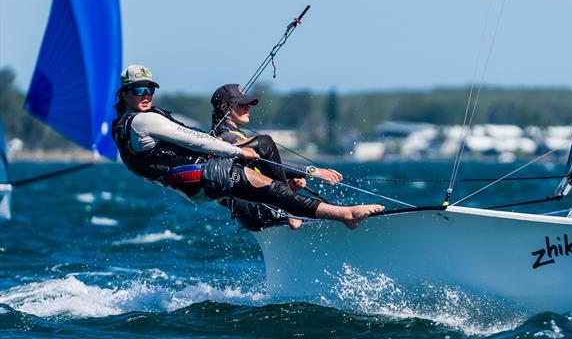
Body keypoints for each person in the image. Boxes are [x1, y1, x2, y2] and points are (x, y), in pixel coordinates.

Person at [112, 64, 383, 229]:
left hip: (196, 180)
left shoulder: (126, 125)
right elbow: (191, 138)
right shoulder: (143, 121)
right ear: (124, 94)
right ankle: (342, 215)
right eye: (138, 90)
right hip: (202, 176)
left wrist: (298, 173)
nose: (146, 94)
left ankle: (311, 212)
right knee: (269, 174)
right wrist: (238, 151)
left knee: (272, 187)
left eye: (150, 89)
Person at [209, 84, 343, 231]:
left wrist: (288, 183)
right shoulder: (227, 138)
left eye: (248, 103)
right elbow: (266, 159)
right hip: (256, 210)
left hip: (252, 212)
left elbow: (261, 168)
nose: (247, 107)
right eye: (241, 104)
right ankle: (290, 211)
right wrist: (312, 171)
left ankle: (289, 210)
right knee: (265, 143)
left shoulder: (226, 134)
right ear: (224, 108)